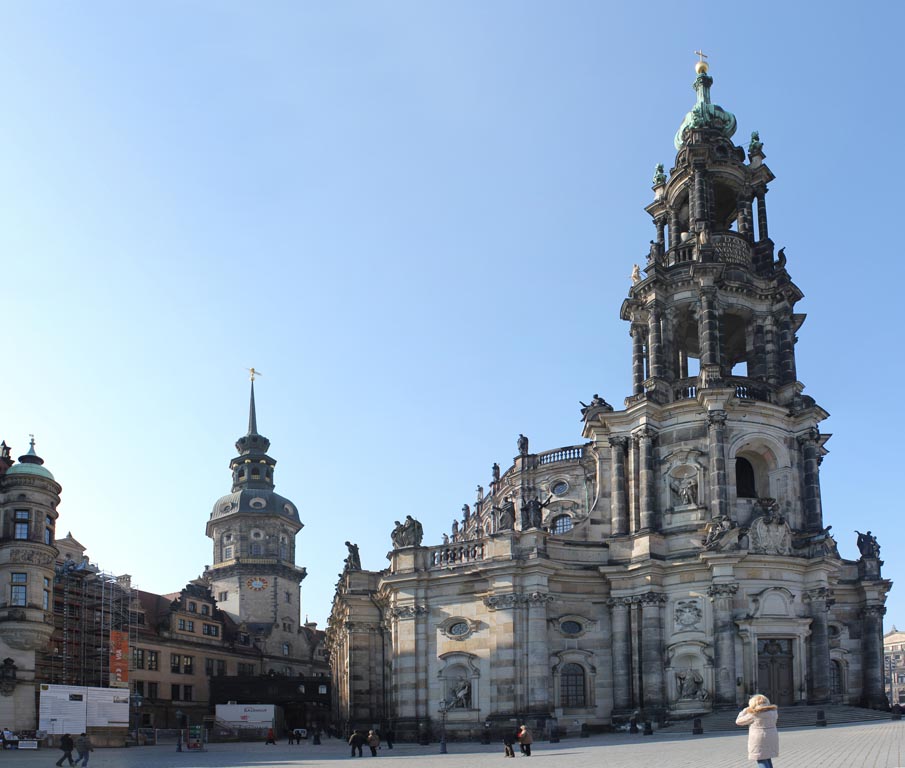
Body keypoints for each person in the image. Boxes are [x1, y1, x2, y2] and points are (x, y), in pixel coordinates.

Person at [735, 693, 779, 768]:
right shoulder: (773, 712)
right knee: (767, 758)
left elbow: (738, 721)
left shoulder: (754, 714)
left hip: (759, 739)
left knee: (761, 759)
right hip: (772, 736)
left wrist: (745, 711)